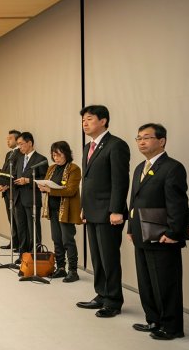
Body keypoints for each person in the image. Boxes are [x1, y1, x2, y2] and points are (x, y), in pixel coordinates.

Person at [127, 123, 188, 341]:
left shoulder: (172, 167)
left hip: (162, 234)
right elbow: (133, 201)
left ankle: (171, 326)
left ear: (161, 141)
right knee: (146, 280)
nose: (141, 142)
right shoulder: (138, 168)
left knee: (165, 282)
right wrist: (130, 227)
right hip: (141, 231)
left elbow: (177, 204)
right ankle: (153, 319)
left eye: (146, 137)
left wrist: (173, 232)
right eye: (138, 138)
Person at [76, 105, 130, 318]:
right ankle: (101, 294)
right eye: (83, 120)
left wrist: (116, 210)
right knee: (97, 257)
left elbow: (120, 181)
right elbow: (87, 182)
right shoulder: (88, 146)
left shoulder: (116, 145)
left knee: (109, 257)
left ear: (104, 121)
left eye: (89, 119)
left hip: (109, 212)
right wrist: (83, 208)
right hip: (92, 210)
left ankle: (114, 300)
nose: (85, 123)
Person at [38, 141, 82, 282]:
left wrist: (50, 190)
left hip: (66, 210)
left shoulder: (74, 169)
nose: (56, 157)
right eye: (53, 155)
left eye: (59, 154)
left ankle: (73, 271)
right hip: (53, 209)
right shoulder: (51, 168)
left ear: (66, 154)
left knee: (67, 240)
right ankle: (61, 268)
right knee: (56, 240)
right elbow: (46, 184)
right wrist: (42, 186)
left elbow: (70, 190)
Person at [12, 132, 48, 258]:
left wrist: (28, 181)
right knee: (21, 228)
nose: (19, 147)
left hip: (32, 199)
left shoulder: (41, 159)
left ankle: (35, 255)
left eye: (21, 144)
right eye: (18, 145)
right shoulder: (20, 158)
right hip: (19, 199)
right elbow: (16, 176)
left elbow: (44, 178)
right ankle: (23, 256)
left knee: (33, 228)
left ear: (30, 143)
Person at [0, 130, 21, 250]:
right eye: (7, 138)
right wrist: (0, 183)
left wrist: (8, 185)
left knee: (17, 219)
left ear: (17, 140)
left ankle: (19, 244)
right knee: (11, 218)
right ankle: (14, 241)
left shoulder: (20, 154)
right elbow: (5, 171)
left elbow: (16, 173)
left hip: (15, 190)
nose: (7, 140)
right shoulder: (8, 154)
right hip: (6, 191)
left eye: (10, 138)